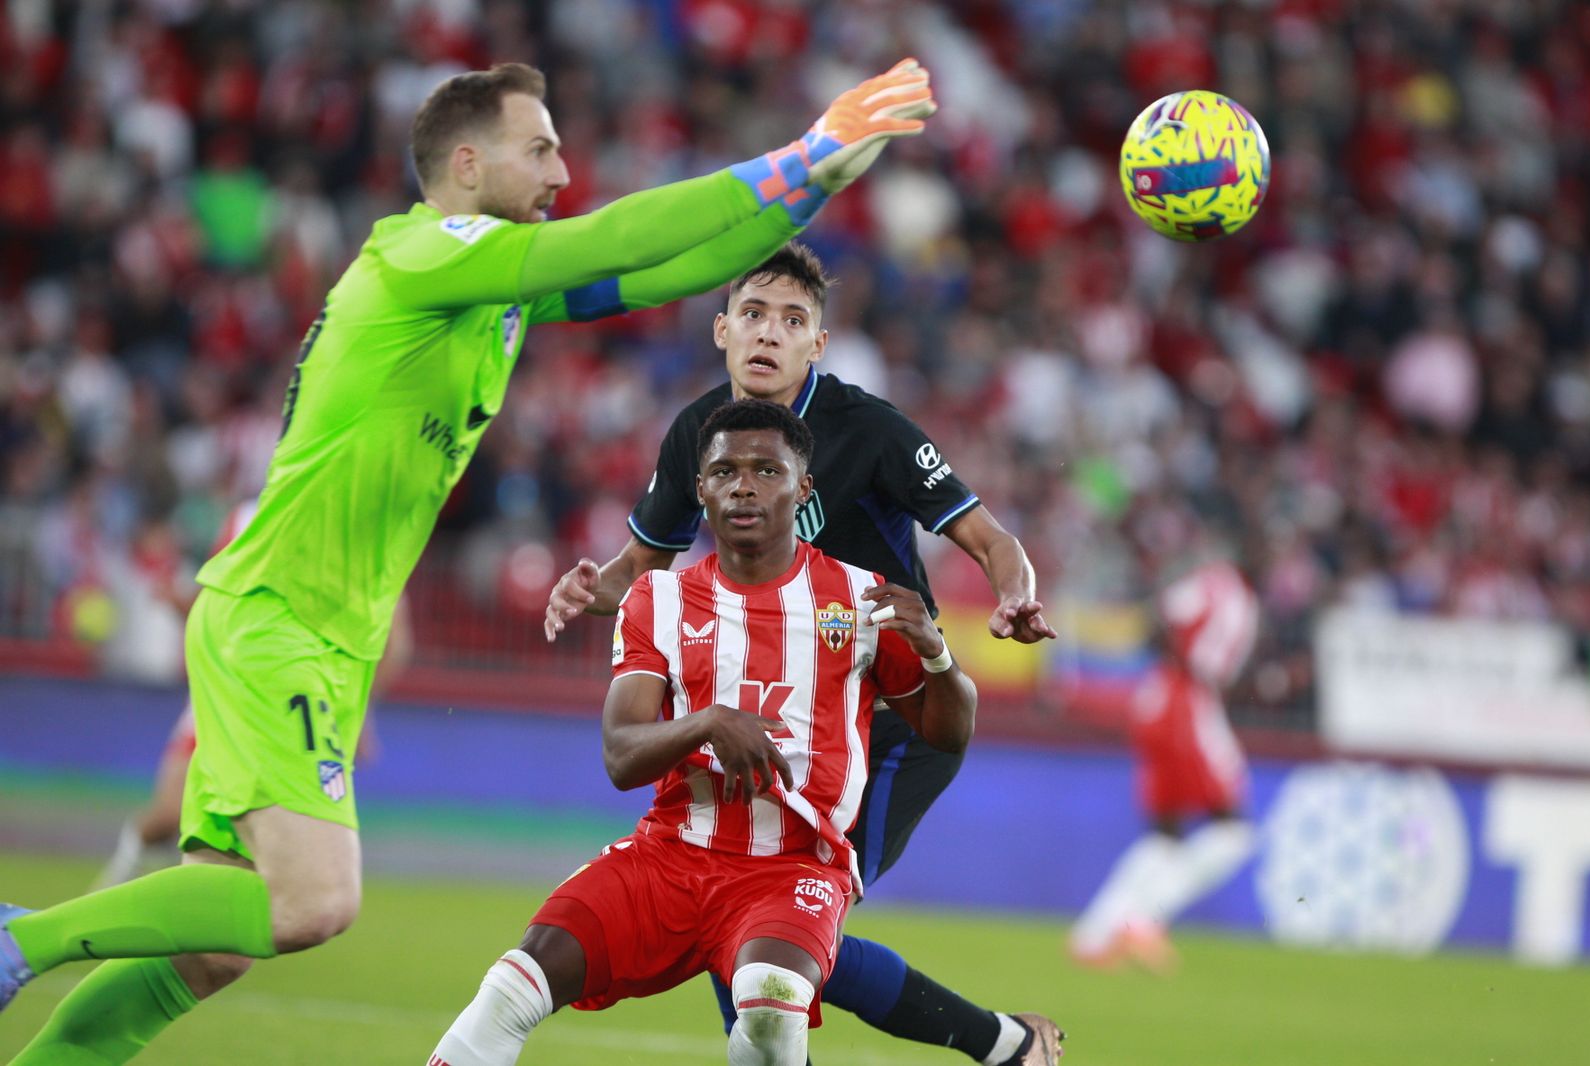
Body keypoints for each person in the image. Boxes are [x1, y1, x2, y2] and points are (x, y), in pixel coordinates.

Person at [0, 57, 938, 1060]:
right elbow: (610, 235)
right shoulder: (424, 254)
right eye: (537, 148)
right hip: (281, 613)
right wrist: (796, 151)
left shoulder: (490, 292)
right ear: (463, 162)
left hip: (325, 631)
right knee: (313, 898)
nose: (561, 169)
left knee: (218, 939)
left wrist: (816, 188)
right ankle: (23, 937)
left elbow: (665, 270)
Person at [544, 243, 1063, 1064]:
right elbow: (645, 559)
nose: (768, 335)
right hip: (786, 722)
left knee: (778, 915)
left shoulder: (872, 430)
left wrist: (1013, 593)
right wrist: (594, 587)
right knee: (759, 919)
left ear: (817, 345)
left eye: (792, 322)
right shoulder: (700, 435)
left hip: (895, 722)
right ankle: (1006, 1047)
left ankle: (1000, 1046)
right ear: (721, 330)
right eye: (753, 314)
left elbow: (989, 535)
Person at [430, 399, 979, 1066]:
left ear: (803, 488)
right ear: (700, 489)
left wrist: (936, 654)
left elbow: (948, 733)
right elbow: (620, 755)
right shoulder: (654, 600)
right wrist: (707, 723)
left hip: (792, 867)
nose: (743, 486)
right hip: (669, 857)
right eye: (724, 471)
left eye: (766, 470)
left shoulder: (863, 601)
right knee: (510, 987)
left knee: (772, 1006)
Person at [93, 500, 412, 890]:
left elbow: (396, 638)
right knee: (171, 814)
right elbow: (216, 605)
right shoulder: (250, 518)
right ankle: (124, 875)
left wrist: (360, 710)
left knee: (271, 846)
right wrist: (182, 605)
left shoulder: (359, 528)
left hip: (298, 701)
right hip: (229, 688)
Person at [1069, 561, 1260, 972]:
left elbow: (1160, 613)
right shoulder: (1232, 594)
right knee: (1234, 828)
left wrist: (1168, 655)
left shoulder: (1204, 582)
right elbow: (1210, 664)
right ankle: (1143, 919)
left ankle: (1094, 934)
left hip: (1156, 696)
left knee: (1164, 835)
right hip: (1188, 705)